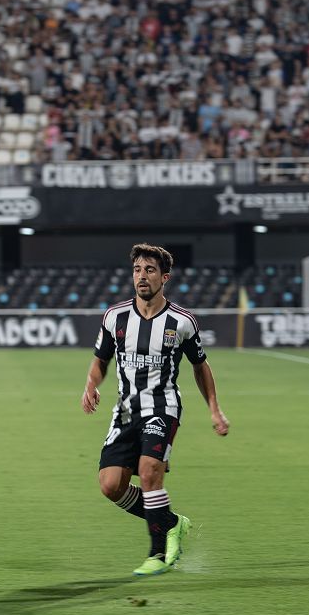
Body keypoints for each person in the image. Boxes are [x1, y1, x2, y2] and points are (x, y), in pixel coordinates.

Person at [81, 243, 229, 577]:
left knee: (150, 473)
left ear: (165, 277)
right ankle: (171, 522)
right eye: (137, 270)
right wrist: (91, 385)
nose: (142, 277)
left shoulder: (183, 321)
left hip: (163, 408)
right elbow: (99, 361)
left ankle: (158, 554)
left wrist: (215, 411)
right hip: (125, 411)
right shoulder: (114, 317)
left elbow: (200, 367)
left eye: (149, 270)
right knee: (110, 485)